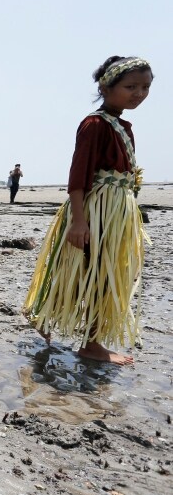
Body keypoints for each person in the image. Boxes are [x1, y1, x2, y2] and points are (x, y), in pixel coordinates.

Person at [24, 56, 153, 366]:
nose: (139, 93)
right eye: (130, 86)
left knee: (98, 272)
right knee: (98, 275)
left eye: (146, 87)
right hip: (96, 212)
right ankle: (91, 345)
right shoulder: (94, 125)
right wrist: (79, 221)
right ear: (106, 87)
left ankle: (47, 317)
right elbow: (79, 176)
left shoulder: (123, 126)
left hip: (117, 213)